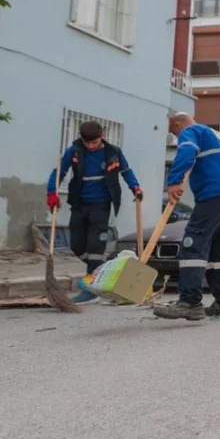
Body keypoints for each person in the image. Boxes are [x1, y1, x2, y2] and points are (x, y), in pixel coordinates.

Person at [153, 113, 220, 321]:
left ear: (178, 124)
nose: (176, 136)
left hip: (213, 195)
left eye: (174, 132)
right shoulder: (218, 137)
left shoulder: (191, 131)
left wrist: (174, 181)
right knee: (217, 251)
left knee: (192, 243)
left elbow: (187, 150)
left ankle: (190, 302)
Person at [47, 120, 142, 304]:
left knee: (95, 248)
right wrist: (52, 192)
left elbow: (126, 171)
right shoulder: (74, 151)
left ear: (102, 137)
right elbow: (59, 172)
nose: (91, 146)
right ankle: (106, 268)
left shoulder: (113, 152)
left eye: (95, 142)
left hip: (102, 204)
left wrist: (135, 188)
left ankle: (91, 290)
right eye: (87, 143)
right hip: (79, 203)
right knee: (76, 245)